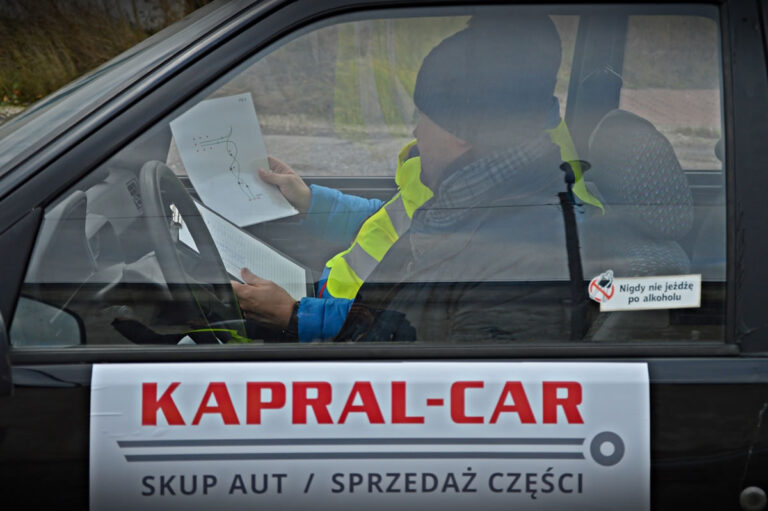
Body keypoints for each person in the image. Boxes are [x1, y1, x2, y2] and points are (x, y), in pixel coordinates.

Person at [233, 13, 574, 342]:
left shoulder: (512, 249)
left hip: (339, 331)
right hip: (340, 316)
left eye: (422, 118)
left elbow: (405, 335)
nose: (415, 132)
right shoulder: (466, 190)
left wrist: (296, 318)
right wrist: (311, 202)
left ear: (460, 131)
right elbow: (388, 222)